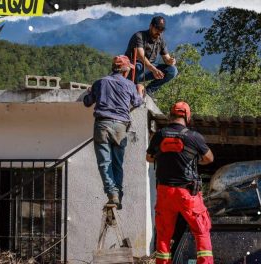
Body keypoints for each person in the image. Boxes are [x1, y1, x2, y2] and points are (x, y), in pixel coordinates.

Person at [146, 101, 214, 264]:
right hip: (187, 194)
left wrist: (165, 158)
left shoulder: (160, 135)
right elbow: (209, 158)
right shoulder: (193, 137)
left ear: (171, 116)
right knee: (201, 230)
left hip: (165, 192)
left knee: (163, 234)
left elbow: (149, 157)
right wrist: (194, 160)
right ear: (187, 117)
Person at [83, 55, 144, 209]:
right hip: (120, 127)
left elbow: (87, 102)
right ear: (126, 71)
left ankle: (112, 194)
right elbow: (137, 102)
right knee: (118, 163)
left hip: (102, 124)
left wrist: (90, 91)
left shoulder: (101, 82)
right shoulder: (130, 85)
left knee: (104, 162)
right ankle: (119, 194)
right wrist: (140, 90)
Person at [125, 16, 178, 96]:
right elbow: (140, 56)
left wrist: (171, 61)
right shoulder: (139, 36)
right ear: (151, 26)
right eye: (157, 28)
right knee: (139, 66)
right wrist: (154, 70)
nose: (159, 32)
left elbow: (166, 58)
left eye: (162, 30)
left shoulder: (161, 40)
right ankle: (133, 88)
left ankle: (148, 90)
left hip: (148, 70)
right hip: (133, 69)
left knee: (172, 70)